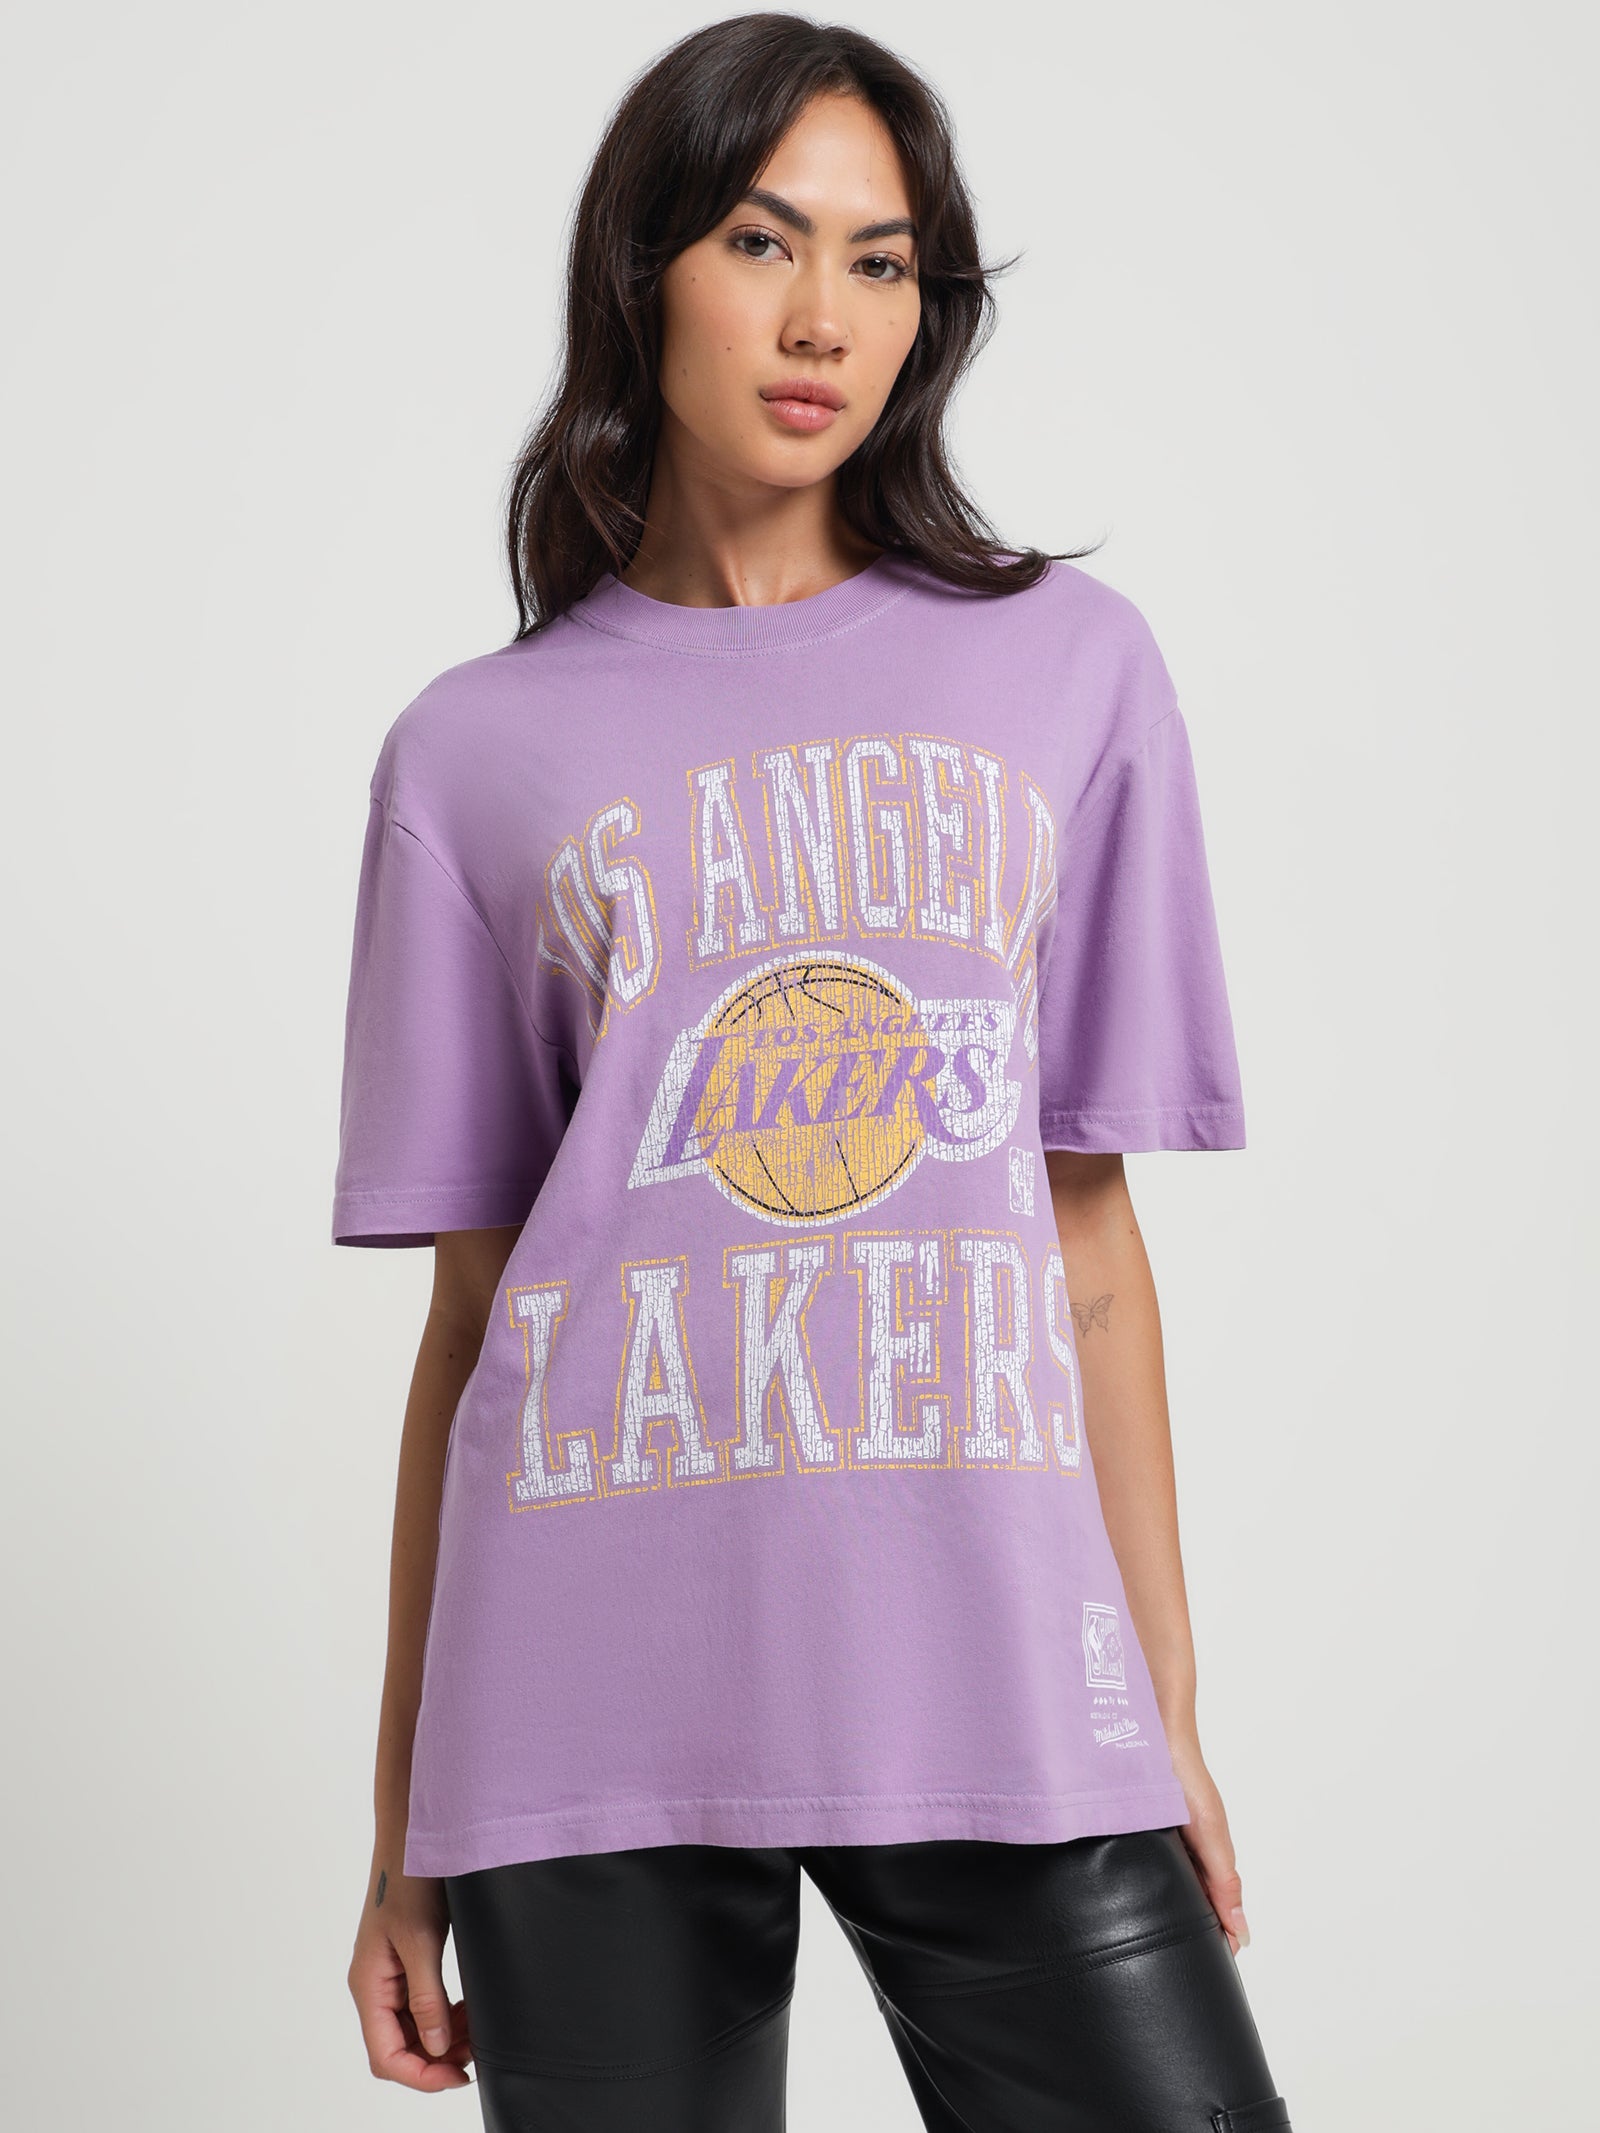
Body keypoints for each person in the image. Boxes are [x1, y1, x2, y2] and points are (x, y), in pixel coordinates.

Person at [333, 16, 1294, 2131]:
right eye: (762, 242)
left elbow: (1088, 1250)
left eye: (882, 263)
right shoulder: (471, 755)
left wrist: (1160, 1711)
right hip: (580, 1705)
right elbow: (477, 1323)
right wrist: (408, 1829)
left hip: (991, 1674)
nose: (821, 319)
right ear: (643, 268)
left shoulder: (1067, 666)